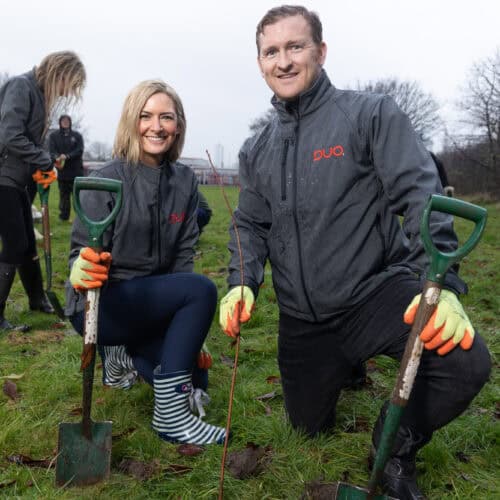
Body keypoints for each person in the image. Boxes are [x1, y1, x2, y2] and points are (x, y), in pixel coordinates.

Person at [219, 6, 491, 499]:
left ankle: (396, 442)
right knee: (306, 430)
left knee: (465, 361)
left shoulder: (369, 114)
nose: (283, 61)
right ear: (259, 62)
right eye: (271, 51)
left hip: (373, 294)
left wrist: (442, 283)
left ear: (321, 52)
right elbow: (250, 224)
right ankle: (345, 368)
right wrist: (241, 280)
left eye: (295, 47)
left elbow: (419, 195)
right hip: (302, 319)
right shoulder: (255, 148)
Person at [65, 79, 226, 445]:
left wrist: (188, 334)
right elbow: (80, 252)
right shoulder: (106, 179)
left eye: (166, 117)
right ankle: (170, 419)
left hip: (149, 302)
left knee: (195, 379)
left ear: (178, 126)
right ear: (131, 122)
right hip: (102, 305)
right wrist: (79, 268)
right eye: (146, 116)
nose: (156, 126)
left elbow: (183, 258)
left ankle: (121, 355)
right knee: (202, 290)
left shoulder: (184, 182)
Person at [0, 51, 86, 332]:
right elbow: (10, 135)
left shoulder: (38, 94)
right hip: (3, 177)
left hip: (17, 179)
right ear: (59, 73)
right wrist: (43, 160)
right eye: (67, 85)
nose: (65, 92)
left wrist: (39, 165)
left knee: (25, 243)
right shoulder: (21, 87)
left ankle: (37, 299)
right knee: (14, 244)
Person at [49, 114, 84, 221]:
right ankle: (64, 216)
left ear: (70, 122)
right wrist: (57, 157)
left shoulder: (77, 136)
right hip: (62, 172)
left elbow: (79, 150)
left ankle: (81, 217)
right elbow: (51, 151)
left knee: (77, 196)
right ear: (60, 122)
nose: (65, 122)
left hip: (76, 172)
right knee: (64, 196)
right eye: (63, 120)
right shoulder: (53, 136)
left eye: (67, 120)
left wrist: (67, 156)